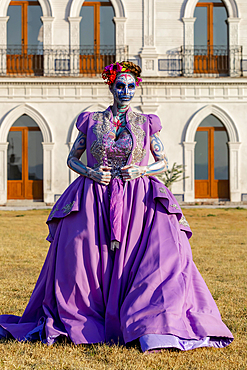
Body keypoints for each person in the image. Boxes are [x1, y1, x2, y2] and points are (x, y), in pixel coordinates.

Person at [0, 61, 233, 351]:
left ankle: (149, 319)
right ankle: (84, 316)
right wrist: (91, 172)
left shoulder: (147, 123)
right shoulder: (92, 122)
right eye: (120, 86)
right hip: (94, 197)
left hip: (138, 198)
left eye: (130, 86)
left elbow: (163, 162)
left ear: (136, 89)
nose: (125, 91)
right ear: (111, 87)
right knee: (80, 255)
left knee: (159, 255)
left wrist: (141, 171)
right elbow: (72, 158)